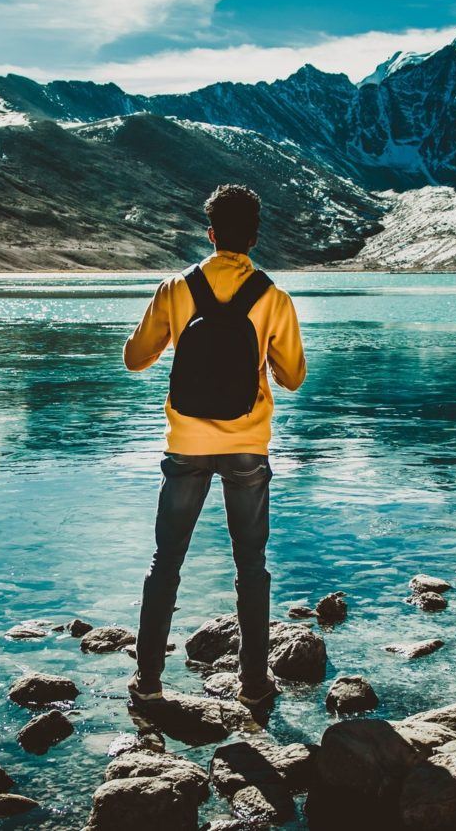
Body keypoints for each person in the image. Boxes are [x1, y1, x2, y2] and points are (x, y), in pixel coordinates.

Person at [123, 183, 306, 707]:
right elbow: (293, 377)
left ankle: (150, 683)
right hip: (249, 445)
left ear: (210, 234)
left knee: (167, 562)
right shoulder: (274, 297)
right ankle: (254, 685)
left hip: (185, 441)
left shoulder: (174, 289)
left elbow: (136, 360)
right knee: (251, 564)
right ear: (254, 237)